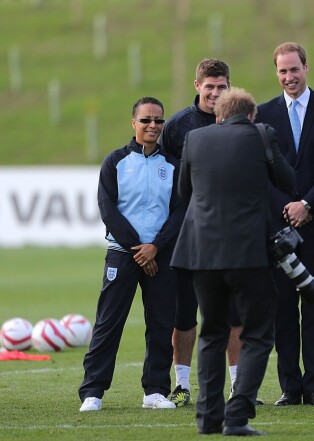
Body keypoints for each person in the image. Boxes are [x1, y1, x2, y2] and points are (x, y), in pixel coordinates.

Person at [170, 87, 295, 435]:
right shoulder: (261, 134)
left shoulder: (194, 139)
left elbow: (184, 193)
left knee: (211, 332)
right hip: (247, 253)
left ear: (220, 116)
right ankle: (237, 416)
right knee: (257, 334)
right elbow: (289, 181)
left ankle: (209, 419)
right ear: (251, 115)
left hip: (201, 251)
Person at [78, 97, 184, 411]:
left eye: (158, 121)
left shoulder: (173, 164)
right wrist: (140, 250)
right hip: (124, 253)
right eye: (146, 120)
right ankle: (93, 392)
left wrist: (156, 248)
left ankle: (154, 391)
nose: (153, 126)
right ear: (133, 123)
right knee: (108, 323)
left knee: (162, 324)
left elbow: (180, 211)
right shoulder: (115, 161)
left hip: (161, 254)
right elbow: (107, 208)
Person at [256, 42, 314, 406]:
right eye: (282, 71)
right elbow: (261, 174)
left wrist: (307, 204)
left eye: (294, 69)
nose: (289, 77)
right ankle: (289, 388)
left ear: (307, 67)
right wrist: (288, 208)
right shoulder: (263, 114)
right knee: (282, 310)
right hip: (278, 228)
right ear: (276, 73)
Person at [159, 58, 247, 407]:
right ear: (197, 86)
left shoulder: (242, 123)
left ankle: (238, 386)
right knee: (184, 314)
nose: (214, 92)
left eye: (221, 86)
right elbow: (165, 179)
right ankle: (181, 386)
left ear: (229, 86)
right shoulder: (178, 126)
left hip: (231, 235)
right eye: (208, 86)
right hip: (188, 235)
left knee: (232, 315)